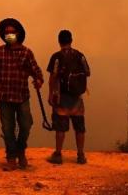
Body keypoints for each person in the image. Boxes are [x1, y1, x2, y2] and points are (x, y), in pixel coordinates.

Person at [0, 18, 44, 170]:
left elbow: (37, 72)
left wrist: (38, 80)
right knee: (7, 129)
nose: (9, 35)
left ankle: (21, 150)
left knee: (26, 125)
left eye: (12, 32)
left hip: (22, 96)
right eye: (6, 33)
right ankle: (11, 158)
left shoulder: (26, 52)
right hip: (4, 97)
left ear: (18, 33)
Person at [46, 30, 91, 165]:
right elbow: (88, 72)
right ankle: (81, 155)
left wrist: (50, 94)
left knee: (60, 128)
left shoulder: (57, 57)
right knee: (79, 127)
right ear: (71, 40)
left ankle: (58, 154)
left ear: (59, 41)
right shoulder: (80, 55)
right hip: (77, 97)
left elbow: (52, 78)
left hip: (62, 96)